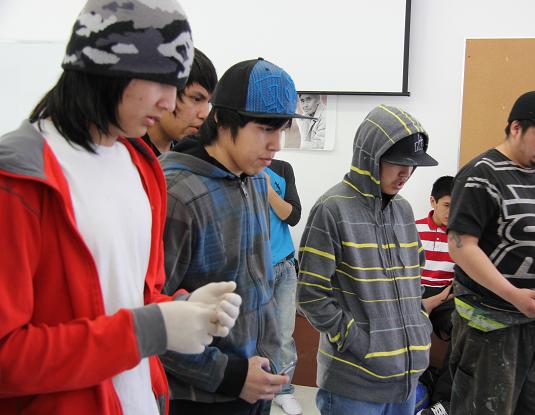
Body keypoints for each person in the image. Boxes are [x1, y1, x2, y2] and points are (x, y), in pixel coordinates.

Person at [0, 1, 241, 414]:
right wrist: (152, 329)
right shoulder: (19, 178)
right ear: (107, 69)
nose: (170, 103)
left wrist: (180, 309)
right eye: (162, 82)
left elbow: (129, 297)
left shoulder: (140, 165)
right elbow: (8, 358)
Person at [159, 58, 309, 415]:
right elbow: (151, 318)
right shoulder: (177, 194)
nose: (275, 145)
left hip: (257, 384)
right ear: (222, 120)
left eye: (282, 129)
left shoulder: (257, 180)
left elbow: (259, 285)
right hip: (201, 396)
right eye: (263, 129)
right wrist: (230, 376)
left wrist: (269, 361)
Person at [446, 89, 535, 415]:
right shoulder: (480, 174)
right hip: (490, 326)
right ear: (516, 128)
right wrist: (512, 294)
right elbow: (461, 246)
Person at [297, 104, 439, 415]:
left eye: (413, 165)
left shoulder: (402, 211)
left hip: (405, 382)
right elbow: (310, 294)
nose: (406, 174)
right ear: (369, 156)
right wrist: (359, 342)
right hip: (354, 386)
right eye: (398, 163)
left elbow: (414, 277)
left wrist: (419, 325)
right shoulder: (332, 209)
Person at [264, 159, 304, 415]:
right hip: (254, 267)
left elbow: (293, 215)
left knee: (284, 334)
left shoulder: (281, 169)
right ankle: (256, 389)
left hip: (285, 265)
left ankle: (283, 390)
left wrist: (267, 189)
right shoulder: (235, 167)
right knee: (250, 333)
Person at [416, 175, 455, 415]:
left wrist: (438, 300)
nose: (453, 211)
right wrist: (421, 302)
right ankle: (412, 389)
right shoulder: (413, 228)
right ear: (433, 201)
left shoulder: (464, 236)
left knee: (464, 328)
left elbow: (463, 281)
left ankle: (443, 401)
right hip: (415, 295)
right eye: (447, 205)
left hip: (446, 298)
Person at [142, 48, 217, 156]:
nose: (204, 114)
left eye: (209, 102)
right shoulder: (122, 153)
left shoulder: (195, 158)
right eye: (196, 99)